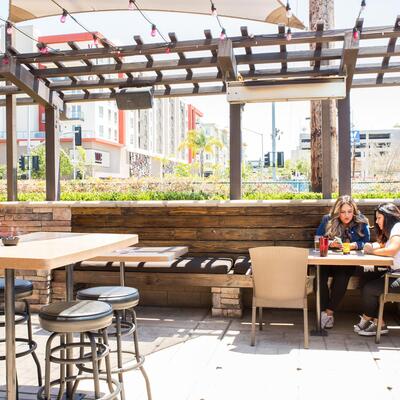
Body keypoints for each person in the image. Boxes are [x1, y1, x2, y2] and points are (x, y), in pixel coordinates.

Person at [316, 195, 370, 329]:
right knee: (320, 277)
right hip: (328, 260)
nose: (346, 215)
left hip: (347, 261)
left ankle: (329, 313)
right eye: (343, 212)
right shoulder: (328, 219)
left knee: (342, 277)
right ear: (337, 211)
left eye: (349, 211)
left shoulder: (361, 222)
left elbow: (366, 242)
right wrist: (329, 243)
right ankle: (324, 312)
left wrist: (354, 245)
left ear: (354, 211)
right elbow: (318, 239)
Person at [354, 203, 400, 336]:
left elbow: (391, 250)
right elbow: (384, 245)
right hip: (393, 273)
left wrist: (371, 252)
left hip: (397, 276)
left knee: (370, 289)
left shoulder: (397, 227)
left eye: (379, 218)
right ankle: (378, 321)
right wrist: (373, 246)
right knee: (366, 275)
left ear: (388, 217)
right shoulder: (394, 230)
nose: (377, 221)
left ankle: (369, 319)